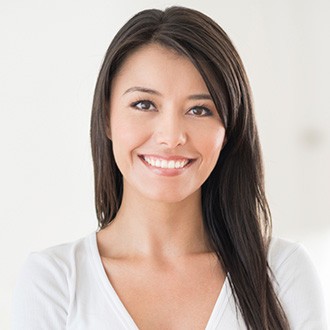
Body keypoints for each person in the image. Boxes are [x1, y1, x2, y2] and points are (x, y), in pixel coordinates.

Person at [12, 6, 327, 330]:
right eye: (144, 104)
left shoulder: (282, 273)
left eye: (199, 110)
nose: (171, 137)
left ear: (229, 128)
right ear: (106, 116)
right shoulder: (56, 281)